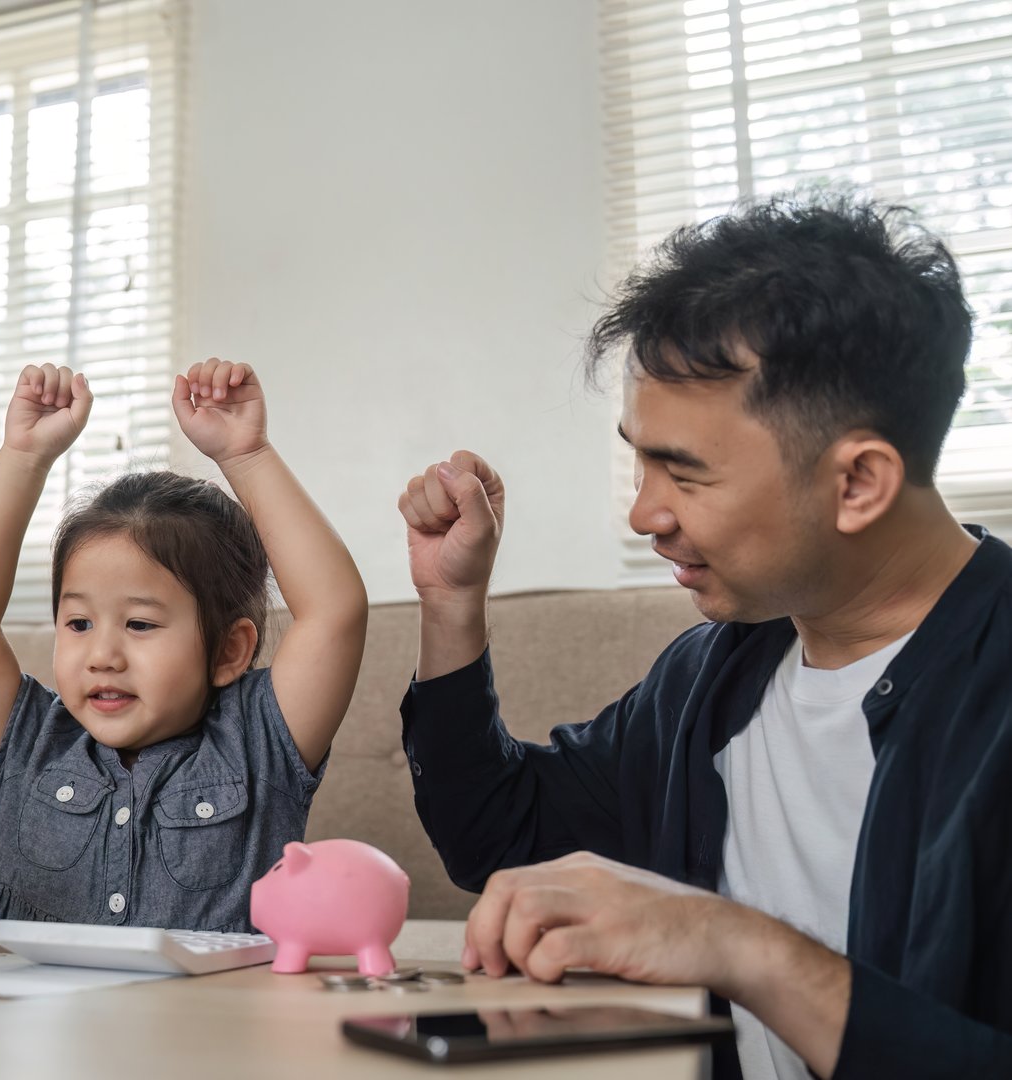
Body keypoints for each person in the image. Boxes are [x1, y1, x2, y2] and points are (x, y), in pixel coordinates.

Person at [397, 194, 1011, 1080]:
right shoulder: (712, 676)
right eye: (639, 459)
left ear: (858, 483)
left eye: (683, 473)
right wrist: (451, 601)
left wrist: (734, 945)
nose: (643, 511)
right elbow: (498, 834)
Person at [0, 358, 367, 937]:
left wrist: (246, 455)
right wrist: (24, 457)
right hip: (31, 1027)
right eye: (79, 623)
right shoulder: (27, 747)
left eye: (139, 625)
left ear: (229, 651)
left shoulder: (260, 742)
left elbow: (335, 612)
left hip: (203, 1028)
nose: (102, 655)